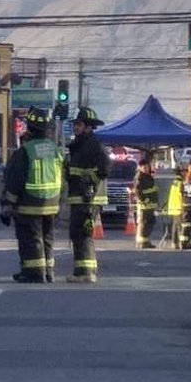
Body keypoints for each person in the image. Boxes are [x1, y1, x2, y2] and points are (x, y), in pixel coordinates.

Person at [2, 107, 63, 283]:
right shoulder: (55, 150)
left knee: (31, 239)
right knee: (47, 238)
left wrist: (8, 204)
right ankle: (48, 271)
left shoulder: (25, 151)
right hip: (52, 203)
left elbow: (15, 180)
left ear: (29, 128)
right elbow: (62, 176)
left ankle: (33, 273)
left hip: (29, 204)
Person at [64, 106, 108, 283]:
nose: (76, 127)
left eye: (79, 124)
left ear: (89, 126)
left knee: (82, 233)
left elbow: (105, 168)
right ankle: (84, 271)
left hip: (88, 197)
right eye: (75, 124)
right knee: (79, 233)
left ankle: (85, 273)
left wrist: (89, 182)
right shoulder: (80, 144)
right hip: (80, 196)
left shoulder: (94, 144)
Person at [132, 158, 159, 249]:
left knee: (150, 222)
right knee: (144, 223)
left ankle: (146, 241)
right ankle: (142, 242)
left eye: (147, 167)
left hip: (150, 205)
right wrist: (143, 200)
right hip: (144, 205)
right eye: (144, 167)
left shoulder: (148, 176)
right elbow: (137, 191)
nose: (146, 169)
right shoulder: (139, 177)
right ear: (140, 167)